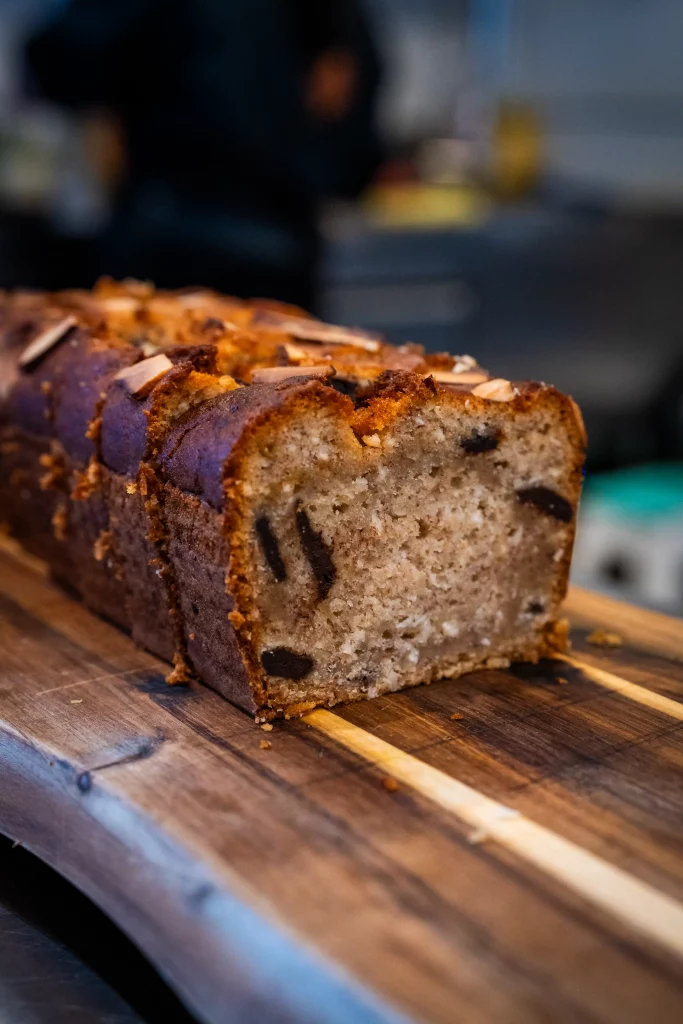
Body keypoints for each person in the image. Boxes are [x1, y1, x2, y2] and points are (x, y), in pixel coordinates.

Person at [26, 0, 383, 309]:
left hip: (172, 228)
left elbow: (60, 62)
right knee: (279, 361)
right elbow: (355, 79)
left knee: (156, 359)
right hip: (282, 235)